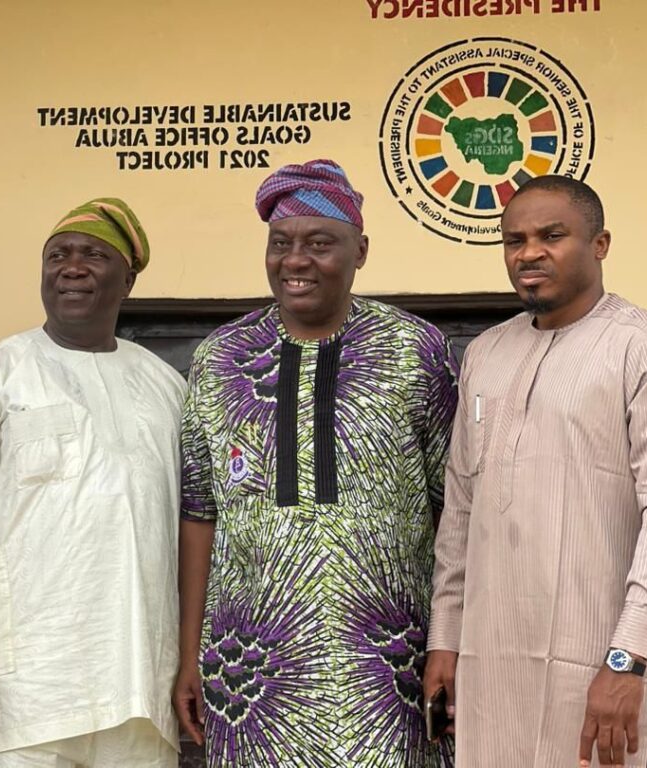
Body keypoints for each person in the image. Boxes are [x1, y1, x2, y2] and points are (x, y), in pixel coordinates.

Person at [173, 159, 458, 766]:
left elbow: (456, 513)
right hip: (251, 673)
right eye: (281, 243)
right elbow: (199, 516)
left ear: (361, 251)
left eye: (320, 243)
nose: (295, 260)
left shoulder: (415, 349)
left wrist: (451, 643)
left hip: (388, 670)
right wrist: (188, 655)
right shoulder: (219, 358)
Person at [0, 198, 184, 767]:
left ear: (128, 280)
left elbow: (190, 528)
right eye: (57, 256)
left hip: (141, 688)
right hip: (25, 692)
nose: (71, 268)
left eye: (93, 255)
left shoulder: (166, 387)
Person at [424, 174, 647, 767]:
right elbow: (461, 510)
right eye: (515, 240)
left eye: (551, 236)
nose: (529, 253)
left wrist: (627, 659)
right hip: (490, 666)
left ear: (600, 244)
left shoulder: (643, 348)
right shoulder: (485, 353)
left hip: (600, 664)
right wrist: (445, 640)